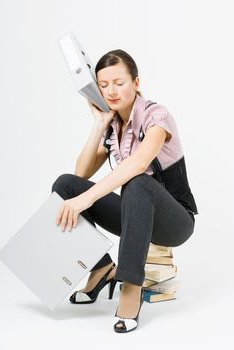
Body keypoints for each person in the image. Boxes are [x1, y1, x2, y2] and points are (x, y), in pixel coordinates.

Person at [51, 49, 198, 333]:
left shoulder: (157, 115)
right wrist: (99, 124)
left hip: (176, 221)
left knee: (138, 180)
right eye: (103, 85)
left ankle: (131, 284)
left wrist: (86, 200)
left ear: (136, 82)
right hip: (137, 215)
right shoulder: (113, 124)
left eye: (119, 82)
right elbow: (80, 174)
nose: (111, 91)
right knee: (65, 185)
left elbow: (139, 163)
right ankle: (101, 267)